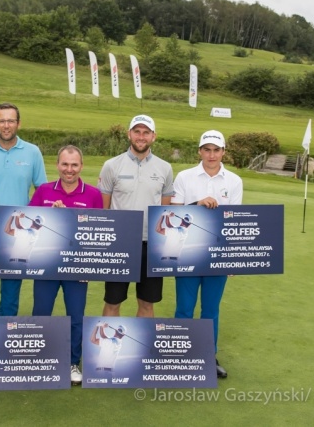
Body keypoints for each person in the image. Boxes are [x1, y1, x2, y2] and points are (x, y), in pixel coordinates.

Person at [171, 129, 243, 379]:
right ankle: (180, 357)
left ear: (223, 152)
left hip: (217, 254)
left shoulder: (234, 181)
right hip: (186, 252)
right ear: (200, 151)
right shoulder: (184, 177)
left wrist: (232, 258)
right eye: (207, 149)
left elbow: (234, 222)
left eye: (216, 150)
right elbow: (173, 214)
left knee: (210, 309)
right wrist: (197, 205)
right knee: (184, 308)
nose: (211, 155)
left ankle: (206, 357)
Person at [29, 145, 103, 385]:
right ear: (57, 165)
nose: (69, 170)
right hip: (46, 265)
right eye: (64, 164)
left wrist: (89, 267)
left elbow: (97, 233)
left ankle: (72, 362)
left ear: (81, 166)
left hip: (76, 268)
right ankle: (39, 360)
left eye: (74, 165)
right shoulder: (43, 191)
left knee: (76, 316)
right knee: (41, 313)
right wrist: (50, 215)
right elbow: (28, 226)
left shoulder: (92, 194)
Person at [0, 102, 47, 316]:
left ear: (18, 123)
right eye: (2, 120)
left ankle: (2, 347)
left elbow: (42, 191)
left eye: (10, 121)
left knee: (11, 298)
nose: (6, 125)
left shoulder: (32, 152)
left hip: (19, 236)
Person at [98, 114, 174, 317]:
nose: (141, 136)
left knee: (147, 303)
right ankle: (108, 350)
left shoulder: (165, 168)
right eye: (137, 131)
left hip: (151, 245)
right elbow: (103, 211)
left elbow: (164, 212)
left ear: (153, 136)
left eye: (146, 132)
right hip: (119, 243)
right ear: (129, 134)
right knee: (113, 301)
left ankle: (143, 348)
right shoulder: (111, 165)